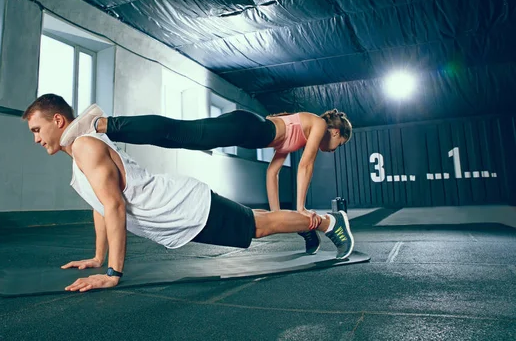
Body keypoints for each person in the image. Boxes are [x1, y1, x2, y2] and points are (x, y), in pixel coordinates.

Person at [23, 94, 354, 293]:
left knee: (257, 226)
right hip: (181, 206)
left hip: (183, 206)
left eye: (38, 130)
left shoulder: (84, 146)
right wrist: (97, 257)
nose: (36, 139)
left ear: (57, 119)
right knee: (257, 220)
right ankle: (317, 223)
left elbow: (114, 208)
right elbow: (101, 205)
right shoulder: (79, 156)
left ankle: (326, 223)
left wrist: (113, 273)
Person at [59, 104, 353, 255]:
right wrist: (301, 207)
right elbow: (306, 166)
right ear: (336, 133)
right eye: (338, 145)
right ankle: (101, 124)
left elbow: (273, 172)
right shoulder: (316, 123)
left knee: (178, 136)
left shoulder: (297, 134)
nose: (333, 149)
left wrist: (284, 213)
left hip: (246, 128)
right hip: (247, 127)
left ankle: (104, 125)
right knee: (181, 133)